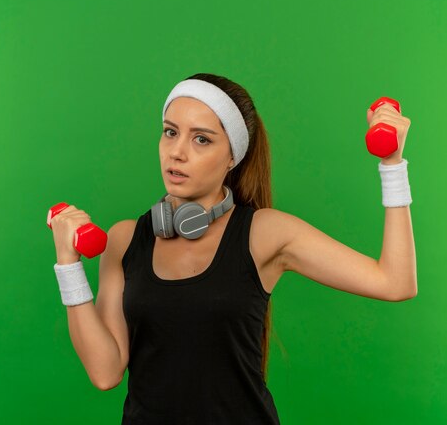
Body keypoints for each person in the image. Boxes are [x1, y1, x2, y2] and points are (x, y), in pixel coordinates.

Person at [50, 73, 417, 424]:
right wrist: (68, 265)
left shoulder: (264, 234)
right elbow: (104, 371)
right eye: (170, 132)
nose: (176, 152)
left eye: (202, 139)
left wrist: (392, 164)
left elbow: (394, 282)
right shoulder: (125, 239)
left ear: (232, 157)